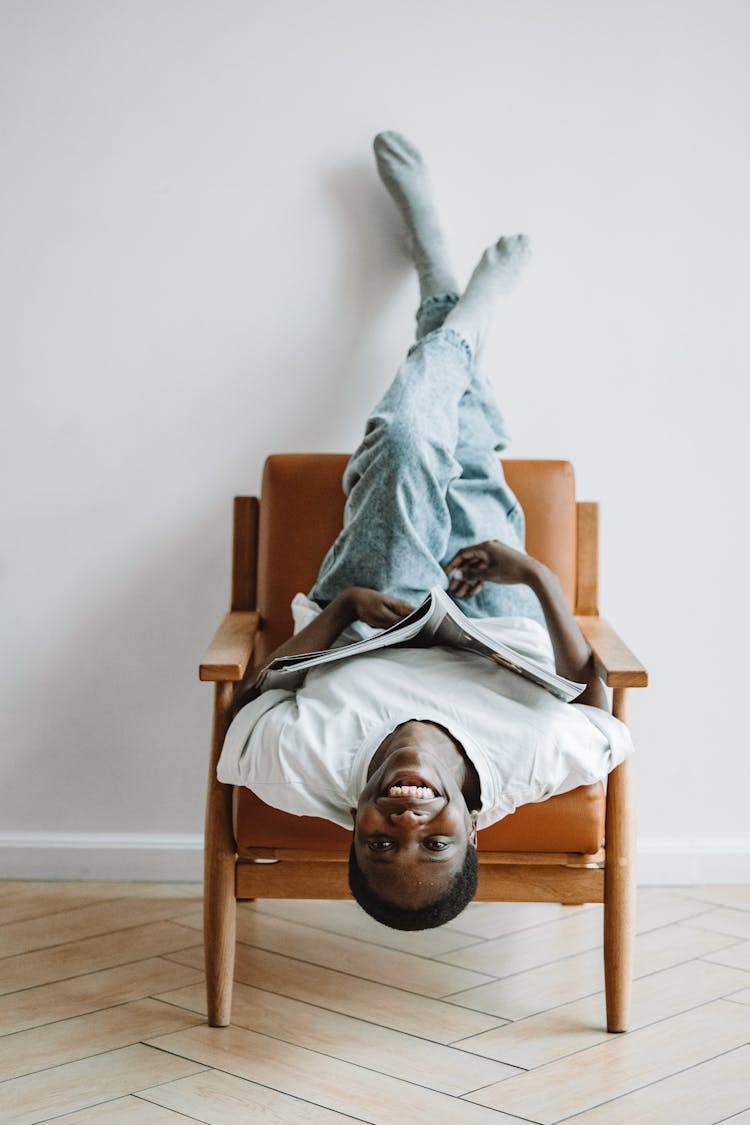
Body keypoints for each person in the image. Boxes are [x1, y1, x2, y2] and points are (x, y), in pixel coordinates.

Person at [217, 131, 633, 930]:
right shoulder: (532, 764)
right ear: (474, 828)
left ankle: (463, 299)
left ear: (353, 834)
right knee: (463, 442)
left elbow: (254, 703)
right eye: (435, 845)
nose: (406, 826)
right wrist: (536, 575)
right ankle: (452, 294)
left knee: (410, 436)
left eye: (378, 845)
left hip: (376, 602)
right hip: (493, 605)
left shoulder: (300, 770)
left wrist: (340, 613)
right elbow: (596, 698)